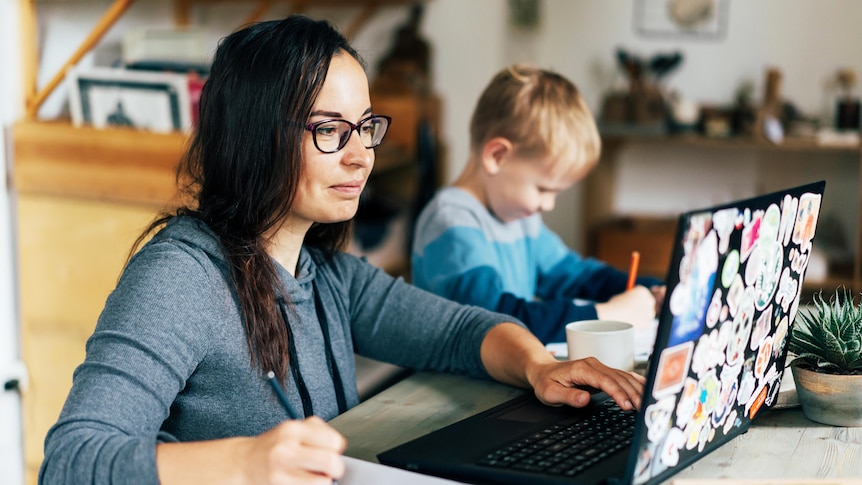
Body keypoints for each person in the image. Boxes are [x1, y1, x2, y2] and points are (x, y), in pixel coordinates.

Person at [39, 16, 645, 485]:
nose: (361, 156)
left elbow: (458, 331)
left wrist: (539, 366)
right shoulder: (180, 277)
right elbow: (71, 460)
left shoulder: (326, 273)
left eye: (364, 128)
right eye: (329, 130)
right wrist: (246, 463)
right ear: (257, 136)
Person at [411, 64, 666, 345]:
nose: (549, 204)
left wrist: (650, 289)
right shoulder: (451, 223)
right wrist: (604, 315)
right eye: (543, 188)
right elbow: (499, 321)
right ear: (497, 156)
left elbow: (575, 276)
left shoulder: (520, 218)